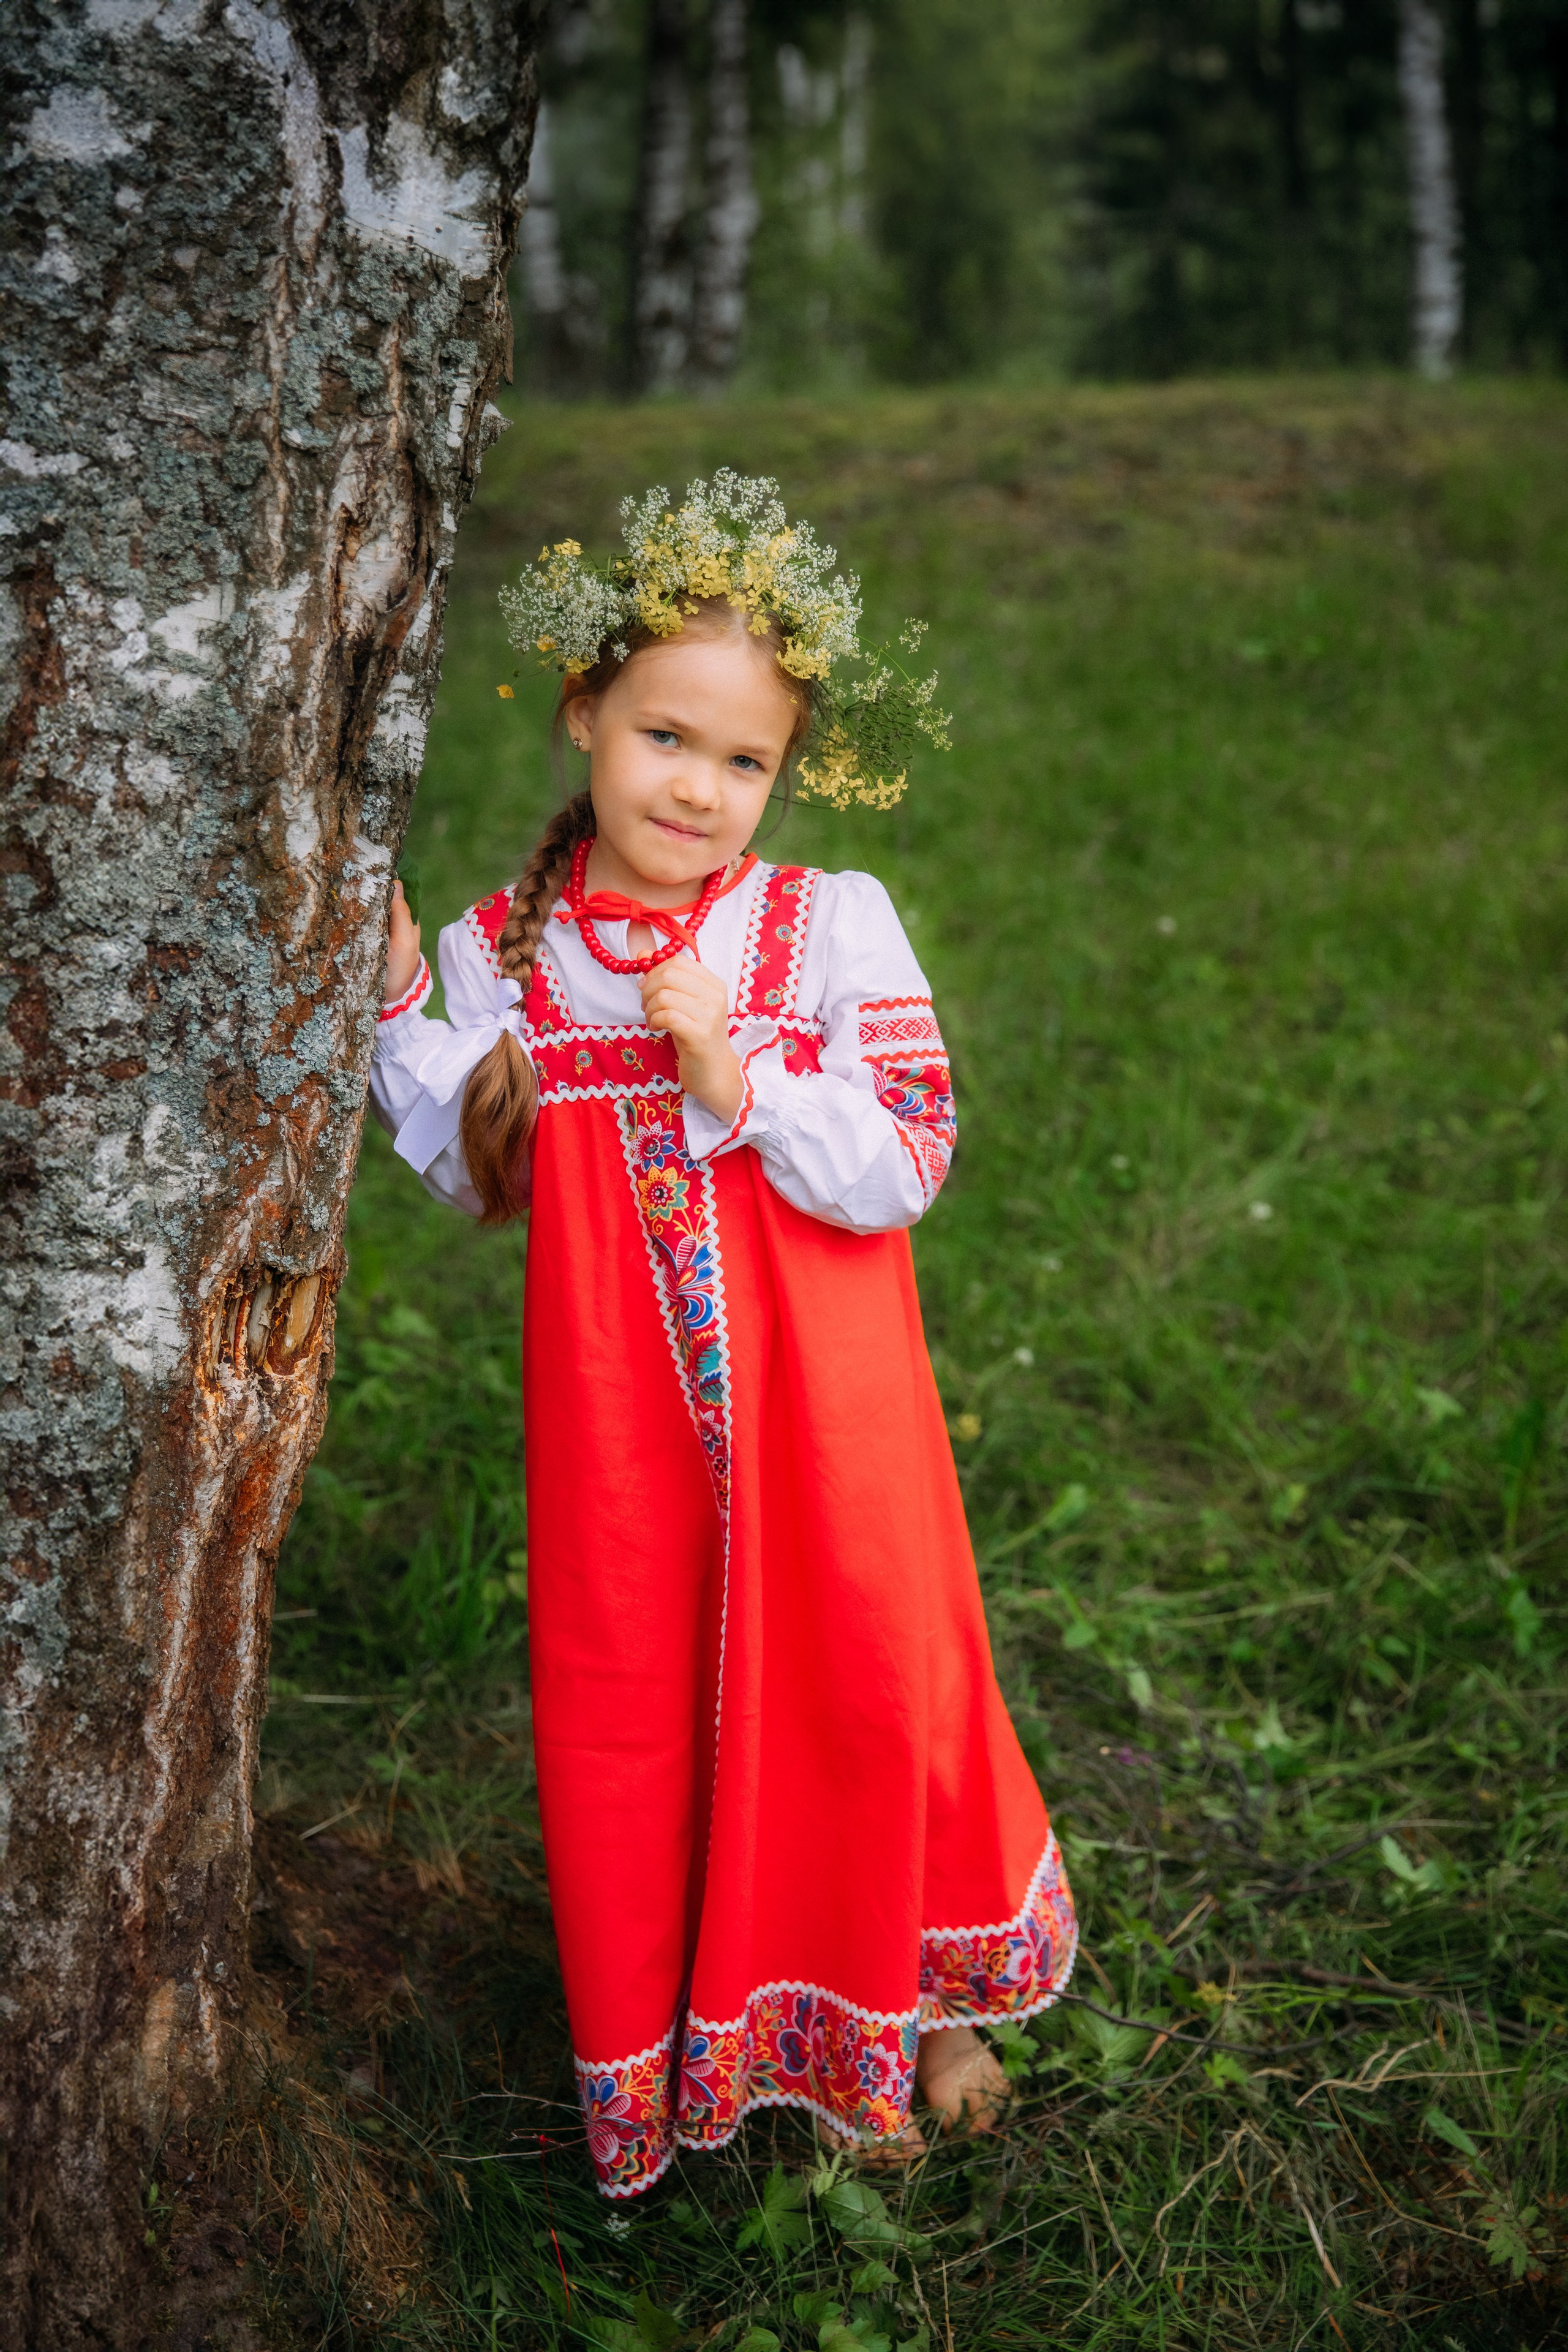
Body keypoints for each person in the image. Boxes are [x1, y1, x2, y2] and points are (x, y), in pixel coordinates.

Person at [369, 472, 1076, 2199]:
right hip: (621, 1427)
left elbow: (907, 1155)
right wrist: (399, 1003)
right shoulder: (507, 952)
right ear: (585, 715)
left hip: (830, 1412)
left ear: (787, 773)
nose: (699, 787)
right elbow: (481, 1172)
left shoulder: (823, 923)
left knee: (867, 1677)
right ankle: (702, 2015)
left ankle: (921, 2002)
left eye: (744, 760)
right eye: (665, 736)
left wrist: (736, 1082)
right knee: (647, 1705)